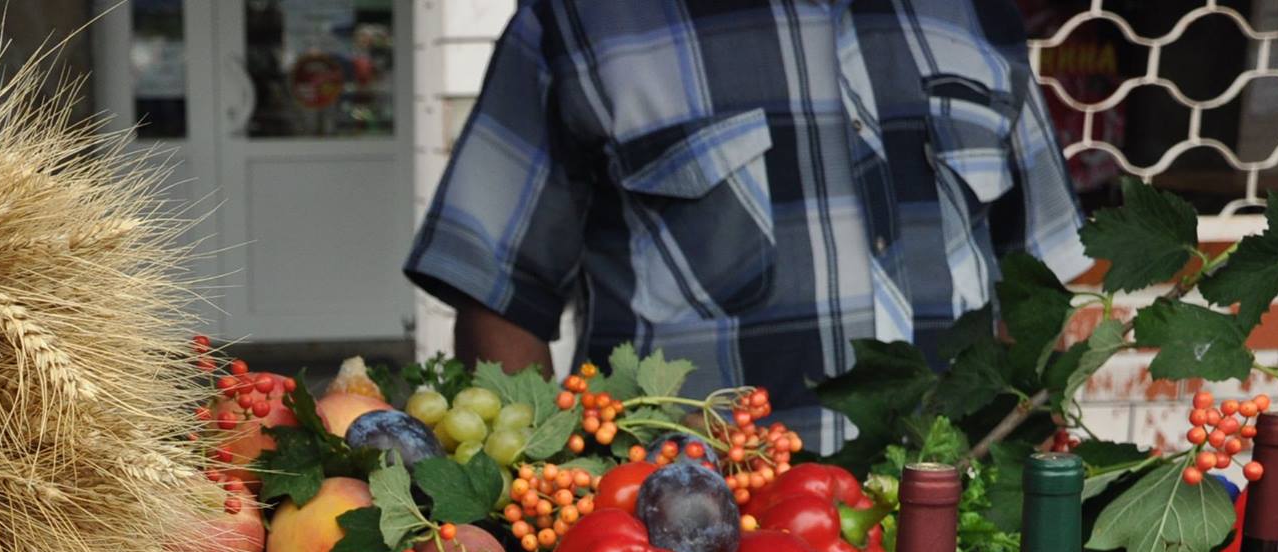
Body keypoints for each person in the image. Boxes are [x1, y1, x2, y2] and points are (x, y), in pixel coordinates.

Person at [404, 0, 1086, 447]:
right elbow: (499, 296)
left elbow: (1042, 281)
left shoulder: (975, 16)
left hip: (953, 545)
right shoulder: (584, 21)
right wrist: (541, 499)